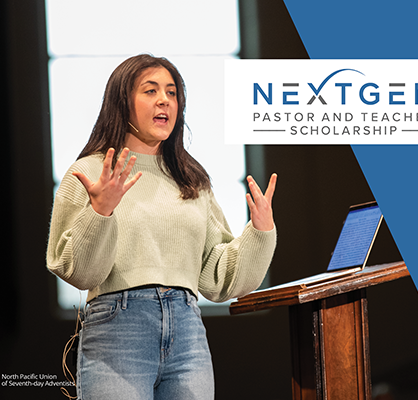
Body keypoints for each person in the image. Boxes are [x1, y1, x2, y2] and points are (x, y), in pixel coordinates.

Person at [46, 54, 277, 400]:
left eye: (171, 92)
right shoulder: (91, 172)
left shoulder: (190, 179)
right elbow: (78, 271)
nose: (164, 100)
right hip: (118, 329)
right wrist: (100, 210)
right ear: (122, 103)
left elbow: (218, 277)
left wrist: (260, 232)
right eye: (150, 90)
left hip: (187, 330)